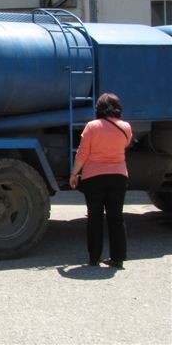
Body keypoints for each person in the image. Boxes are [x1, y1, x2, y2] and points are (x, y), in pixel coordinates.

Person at [69, 92, 133, 269]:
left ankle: (94, 258)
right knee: (116, 217)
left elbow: (82, 154)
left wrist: (74, 174)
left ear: (99, 108)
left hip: (94, 178)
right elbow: (125, 145)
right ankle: (118, 258)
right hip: (119, 176)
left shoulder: (92, 126)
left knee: (95, 217)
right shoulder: (126, 127)